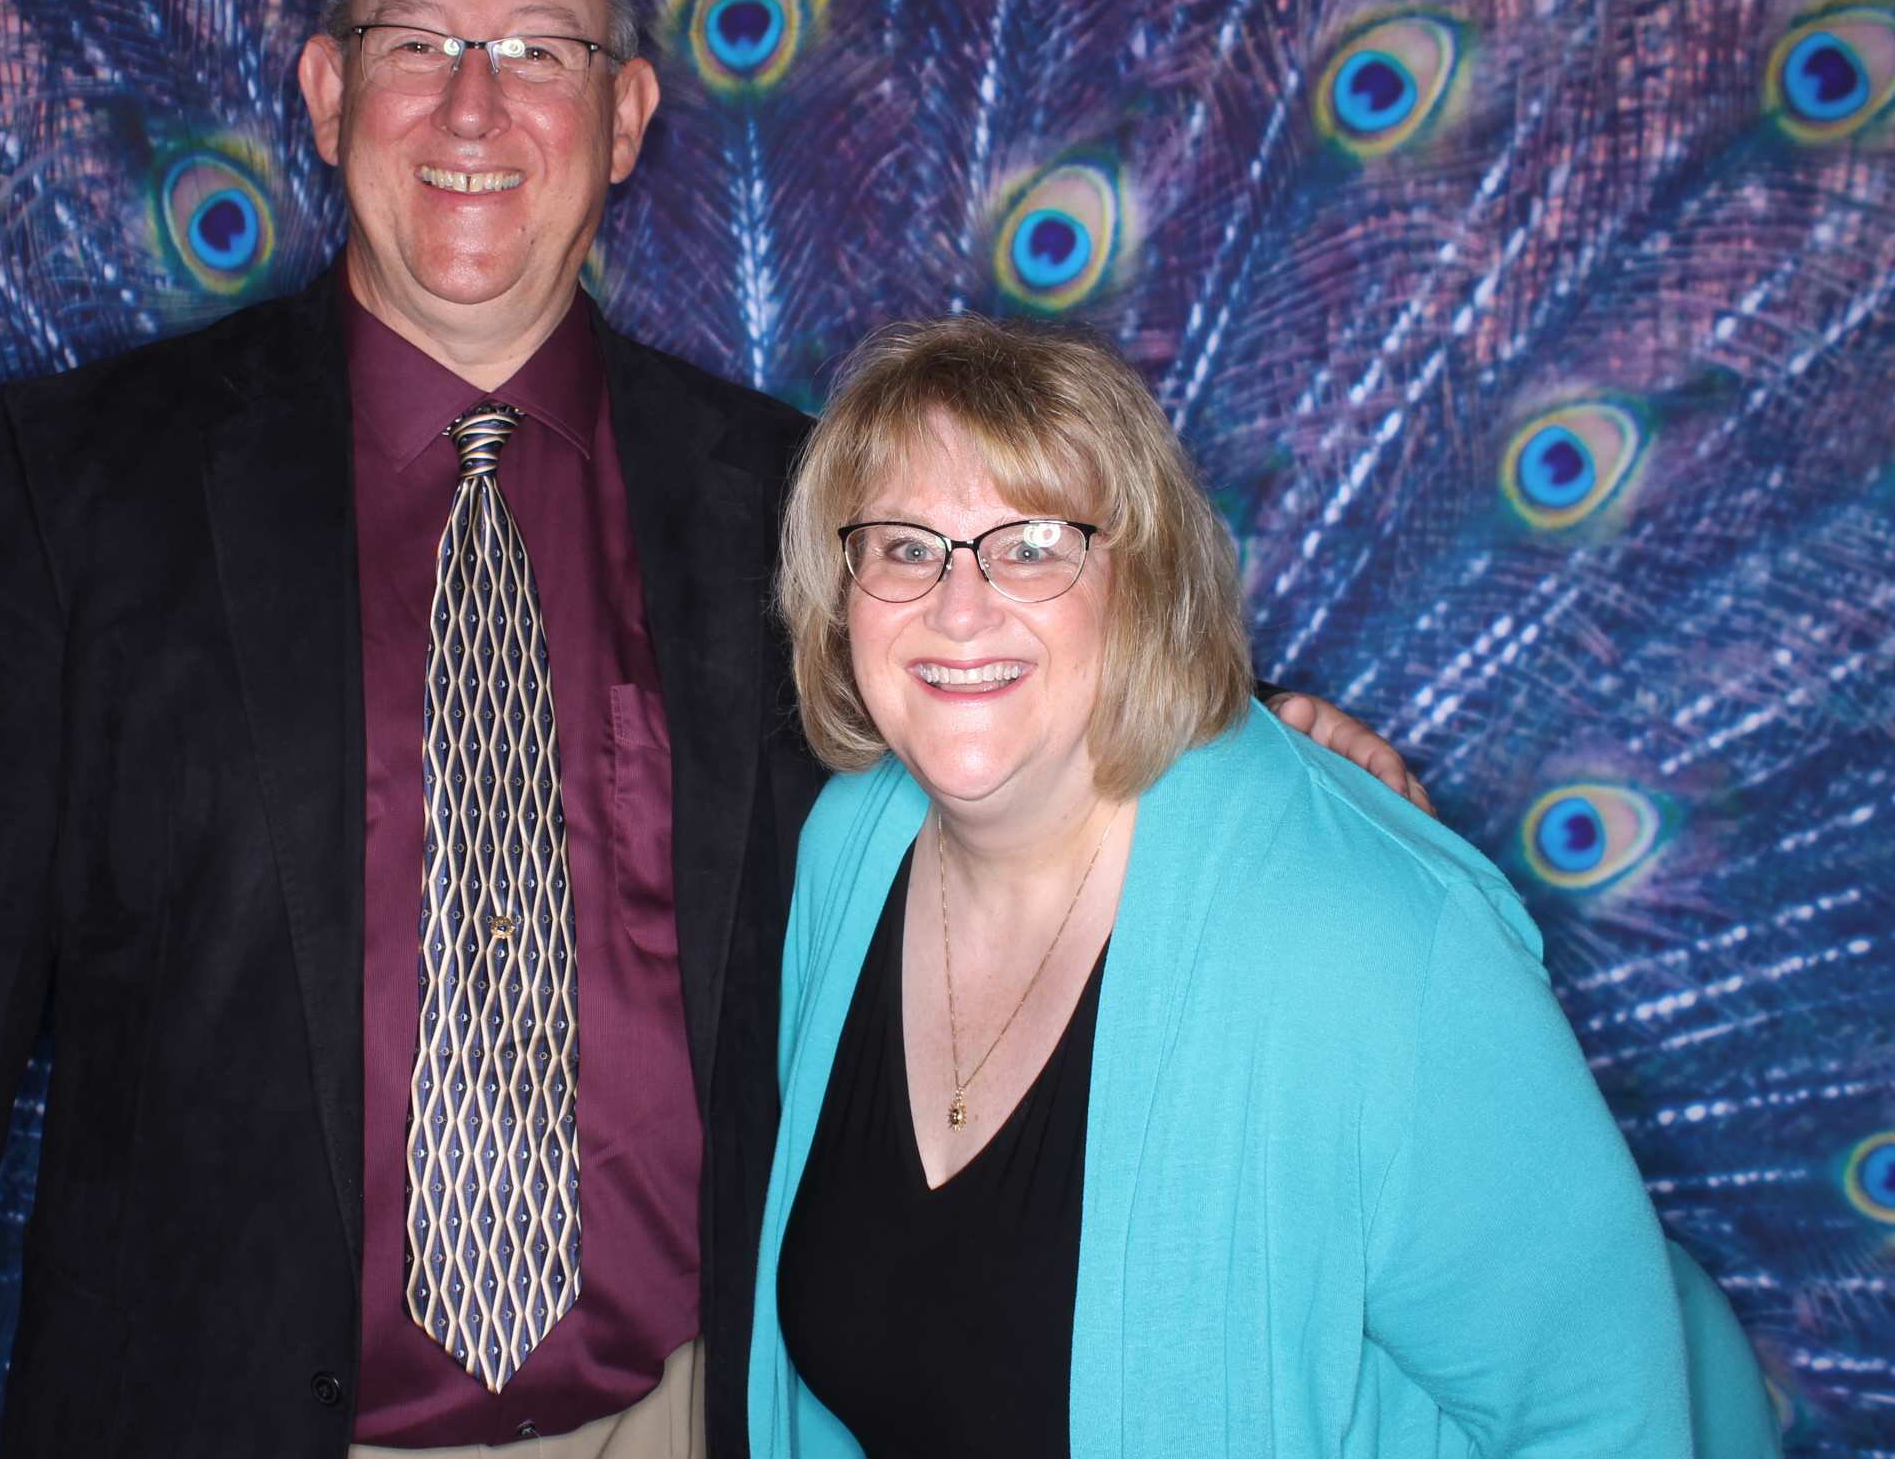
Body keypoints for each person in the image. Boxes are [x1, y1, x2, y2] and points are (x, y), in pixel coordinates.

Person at [0, 0, 1425, 1455]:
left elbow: (993, 721)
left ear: (624, 117)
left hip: (674, 1417)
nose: (475, 106)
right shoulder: (85, 487)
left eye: (540, 54)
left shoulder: (770, 493)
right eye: (418, 43)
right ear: (331, 91)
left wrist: (1241, 745)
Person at [749, 316, 1781, 1457]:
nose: (958, 604)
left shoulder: (1376, 942)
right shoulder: (850, 848)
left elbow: (1603, 1416)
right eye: (903, 544)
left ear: (1141, 580)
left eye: (1033, 541)